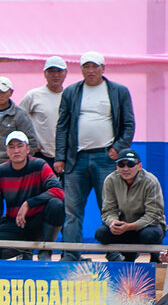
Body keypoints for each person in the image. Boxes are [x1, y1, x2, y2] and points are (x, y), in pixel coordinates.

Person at [55, 51, 136, 260]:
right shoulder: (71, 92)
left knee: (110, 209)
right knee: (72, 210)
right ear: (81, 69)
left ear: (103, 68)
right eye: (86, 67)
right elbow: (62, 126)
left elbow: (128, 124)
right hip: (76, 159)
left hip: (106, 159)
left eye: (94, 66)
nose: (90, 71)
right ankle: (71, 255)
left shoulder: (119, 91)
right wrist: (60, 157)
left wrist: (118, 148)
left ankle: (114, 253)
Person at [0, 131, 64, 260]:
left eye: (20, 146)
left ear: (28, 149)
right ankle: (23, 250)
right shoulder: (0, 172)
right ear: (7, 151)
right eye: (11, 147)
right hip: (15, 223)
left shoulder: (40, 165)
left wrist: (29, 203)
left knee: (56, 205)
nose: (16, 150)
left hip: (39, 223)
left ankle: (46, 252)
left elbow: (58, 191)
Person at [94, 149, 165, 262]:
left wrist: (130, 226)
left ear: (139, 166)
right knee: (101, 234)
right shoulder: (110, 180)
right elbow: (108, 210)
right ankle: (127, 257)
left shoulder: (151, 181)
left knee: (150, 234)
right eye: (121, 165)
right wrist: (113, 223)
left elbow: (154, 215)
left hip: (147, 226)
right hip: (124, 226)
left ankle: (155, 258)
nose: (126, 169)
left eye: (131, 164)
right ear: (117, 167)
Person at [0, 76, 40, 184]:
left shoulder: (20, 114)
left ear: (11, 92)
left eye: (3, 92)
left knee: (14, 199)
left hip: (12, 166)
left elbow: (32, 142)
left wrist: (20, 163)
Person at [19, 56, 68, 167]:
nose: (55, 75)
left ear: (66, 73)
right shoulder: (33, 95)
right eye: (51, 71)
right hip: (40, 154)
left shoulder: (70, 95)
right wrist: (29, 140)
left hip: (65, 155)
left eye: (59, 71)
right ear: (45, 74)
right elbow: (18, 118)